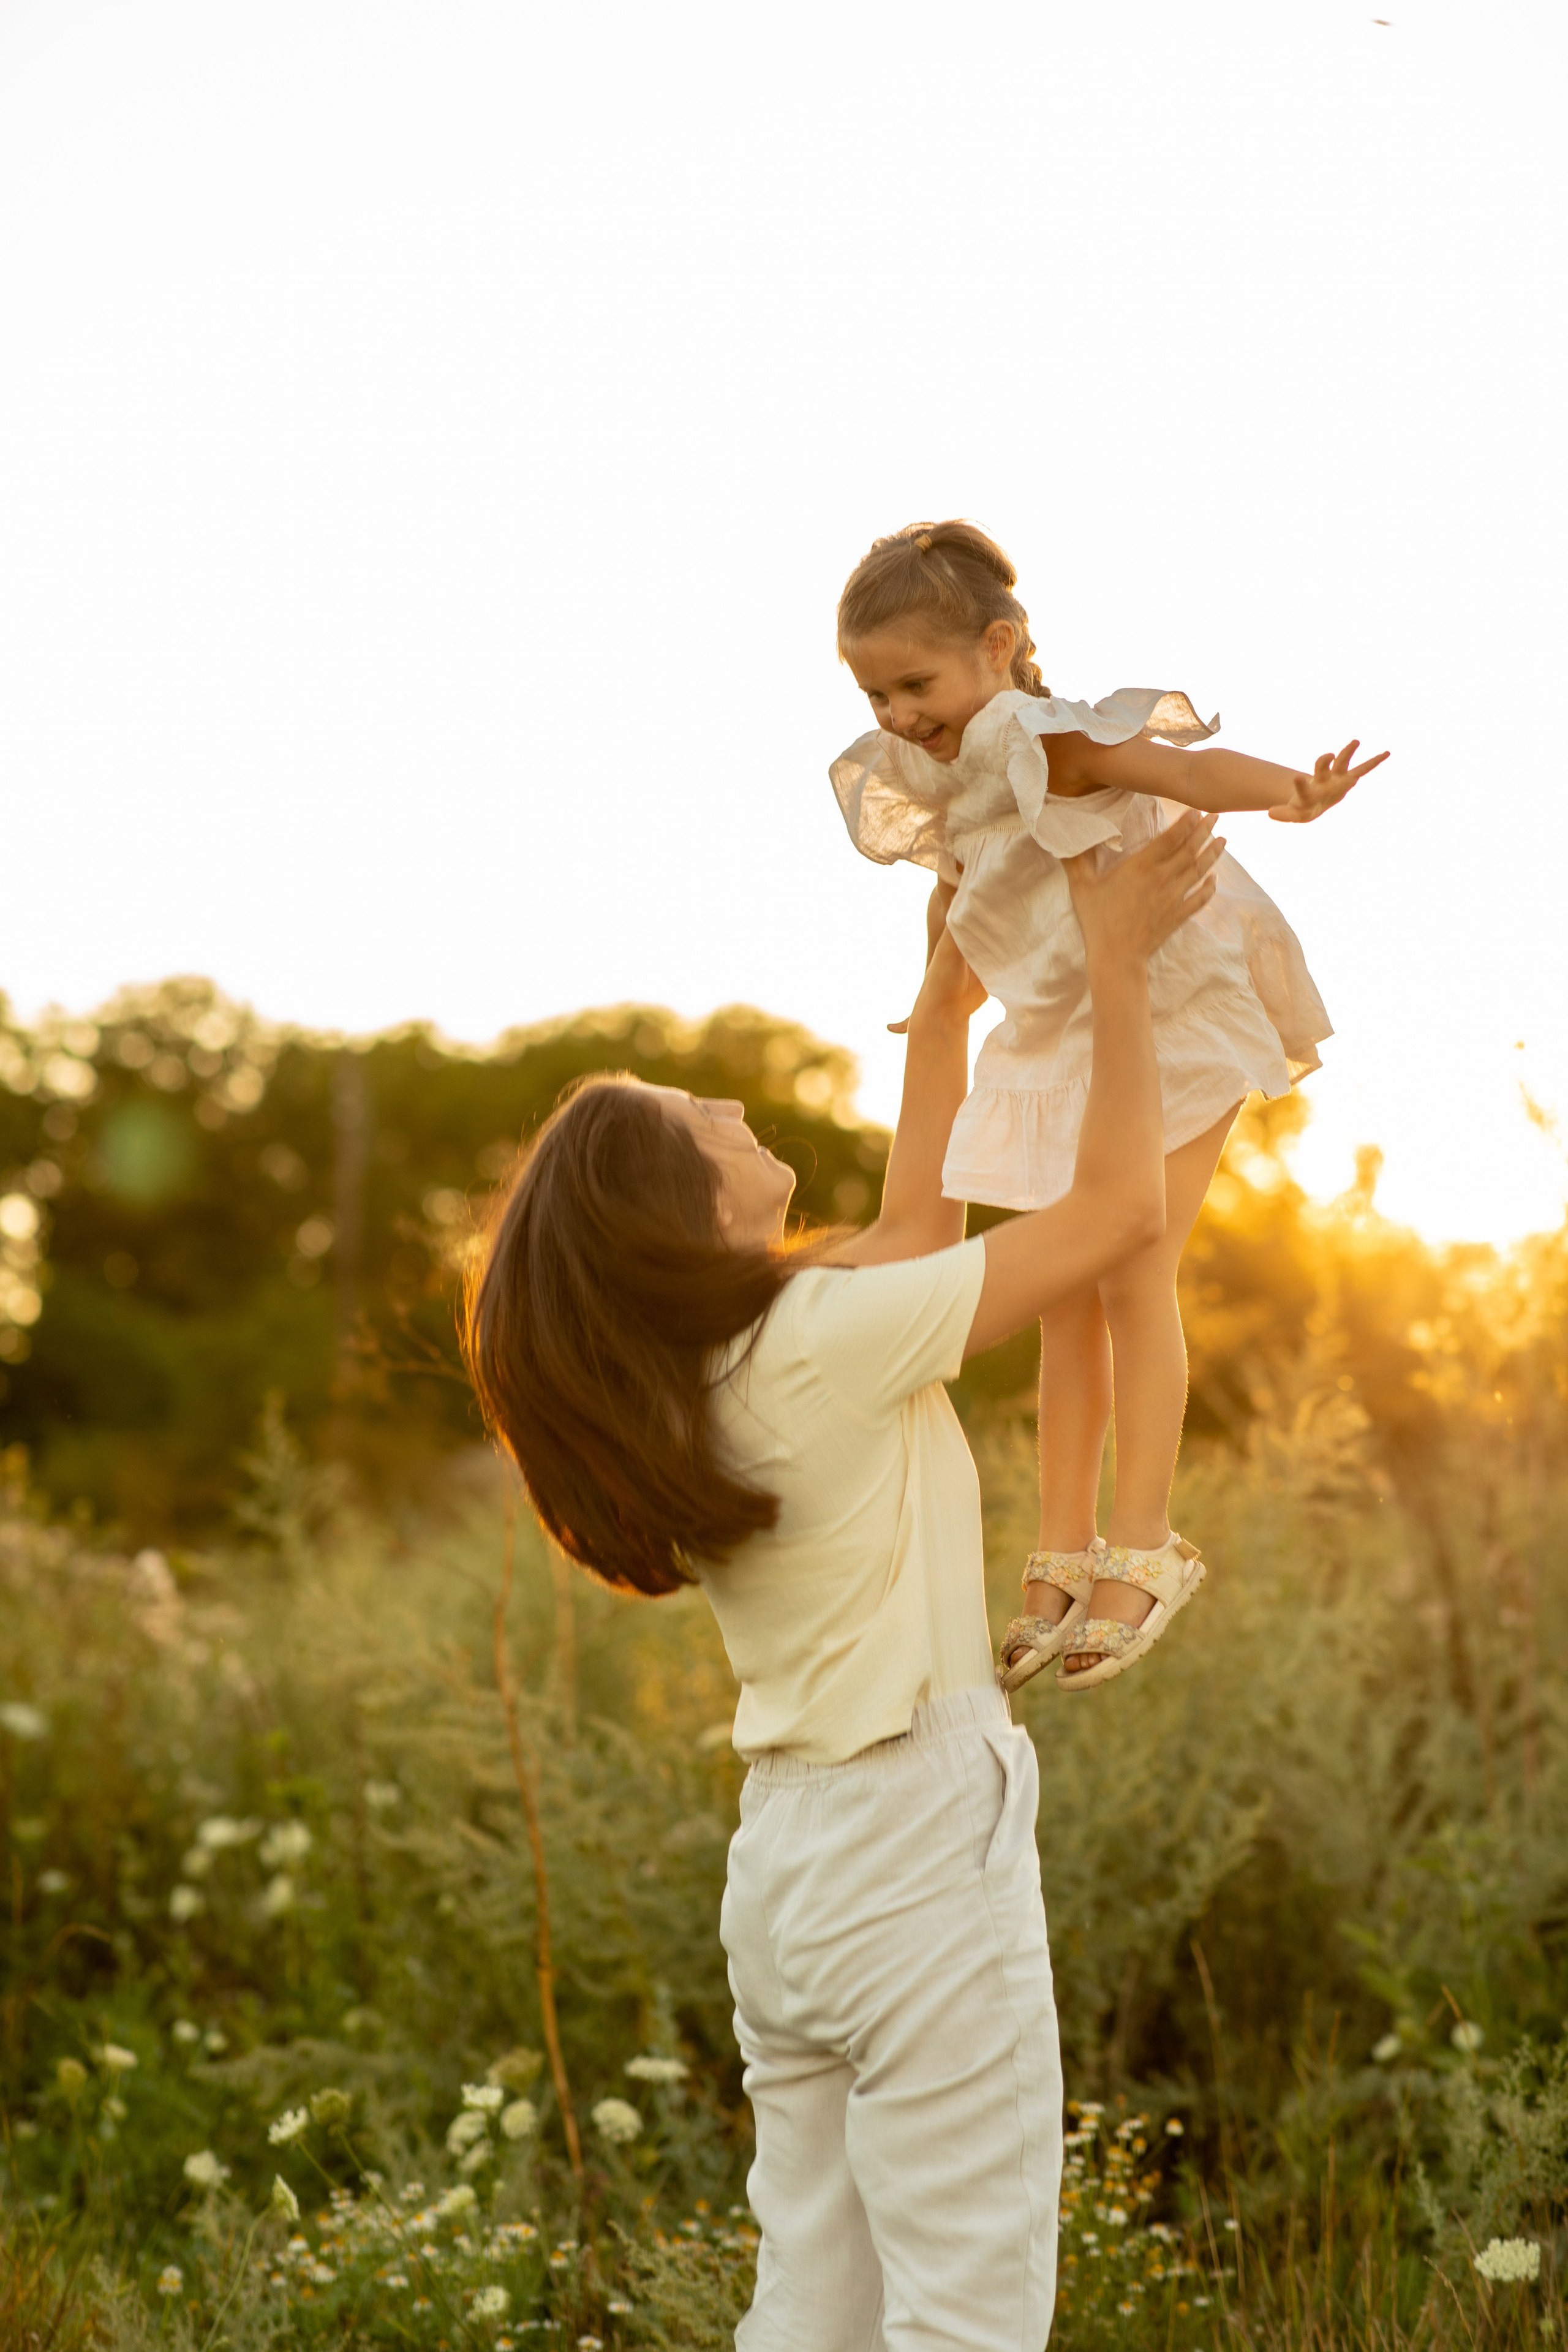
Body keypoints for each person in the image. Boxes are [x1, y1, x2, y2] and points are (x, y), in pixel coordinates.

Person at [462, 810, 1221, 2351]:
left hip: (791, 1873)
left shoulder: (713, 1363)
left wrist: (940, 1007)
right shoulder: (815, 1338)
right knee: (965, 2318)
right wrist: (1118, 967)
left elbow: (914, 1225)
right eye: (697, 1114)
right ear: (682, 1206)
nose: (729, 1101)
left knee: (812, 2305)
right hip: (911, 1842)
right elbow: (1115, 1219)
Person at [831, 519, 1388, 1692]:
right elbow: (959, 883)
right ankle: (1065, 1545)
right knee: (1063, 1296)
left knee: (1134, 1267)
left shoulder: (1052, 737)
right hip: (1061, 1030)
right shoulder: (940, 773)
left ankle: (1145, 1538)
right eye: (875, 693)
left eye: (915, 684)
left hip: (1171, 1005)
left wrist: (1293, 792)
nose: (897, 714)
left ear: (998, 647)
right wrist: (932, 998)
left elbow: (1185, 775)